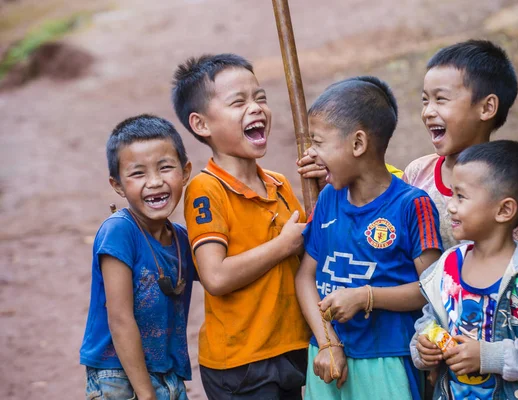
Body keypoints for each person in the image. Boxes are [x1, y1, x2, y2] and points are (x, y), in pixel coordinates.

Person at [171, 53, 311, 399]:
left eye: (260, 98)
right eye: (239, 102)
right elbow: (215, 276)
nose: (256, 108)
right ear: (202, 125)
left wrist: (328, 181)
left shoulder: (278, 184)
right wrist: (282, 245)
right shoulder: (207, 190)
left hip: (290, 347)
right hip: (241, 363)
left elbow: (309, 249)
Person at [296, 76, 443, 400]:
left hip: (387, 358)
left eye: (319, 142)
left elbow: (434, 289)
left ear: (358, 144)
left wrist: (366, 297)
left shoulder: (411, 205)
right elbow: (305, 277)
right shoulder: (328, 200)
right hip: (327, 358)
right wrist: (327, 342)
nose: (312, 153)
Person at [411, 140, 518, 400]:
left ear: (504, 210)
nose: (451, 205)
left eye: (461, 196)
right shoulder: (448, 266)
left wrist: (489, 357)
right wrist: (423, 344)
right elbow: (428, 319)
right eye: (452, 194)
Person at [80, 114, 196, 400]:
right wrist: (145, 394)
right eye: (138, 173)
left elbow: (220, 276)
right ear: (118, 185)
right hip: (118, 376)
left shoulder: (182, 239)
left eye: (165, 168)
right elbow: (119, 318)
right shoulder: (119, 231)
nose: (155, 182)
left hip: (168, 374)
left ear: (186, 172)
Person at [403, 39, 518, 250]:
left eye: (441, 99)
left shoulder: (503, 183)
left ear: (486, 108)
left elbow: (516, 269)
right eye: (425, 100)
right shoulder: (417, 173)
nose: (428, 112)